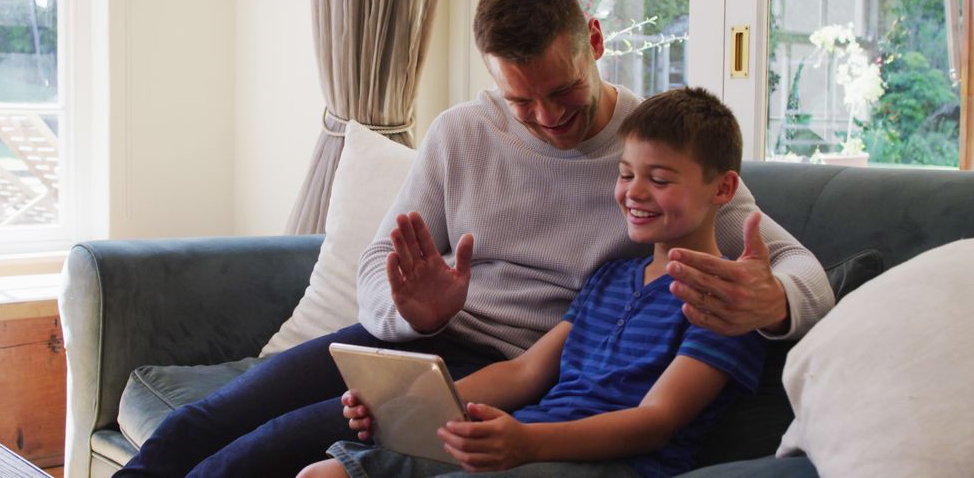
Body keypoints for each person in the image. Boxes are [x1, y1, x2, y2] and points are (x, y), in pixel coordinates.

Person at [117, 0, 832, 478]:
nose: (548, 118)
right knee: (206, 421)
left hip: (508, 369)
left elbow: (794, 268)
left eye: (564, 92)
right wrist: (414, 314)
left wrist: (772, 304)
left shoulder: (653, 151)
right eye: (522, 101)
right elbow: (376, 268)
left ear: (594, 40)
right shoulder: (461, 135)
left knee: (272, 447)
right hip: (415, 342)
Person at [300, 88, 767, 478]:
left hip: (607, 463)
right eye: (625, 174)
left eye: (660, 180)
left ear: (722, 189)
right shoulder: (609, 278)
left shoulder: (726, 305)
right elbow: (523, 372)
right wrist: (404, 405)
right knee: (322, 474)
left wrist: (527, 443)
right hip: (526, 441)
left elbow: (655, 421)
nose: (634, 193)